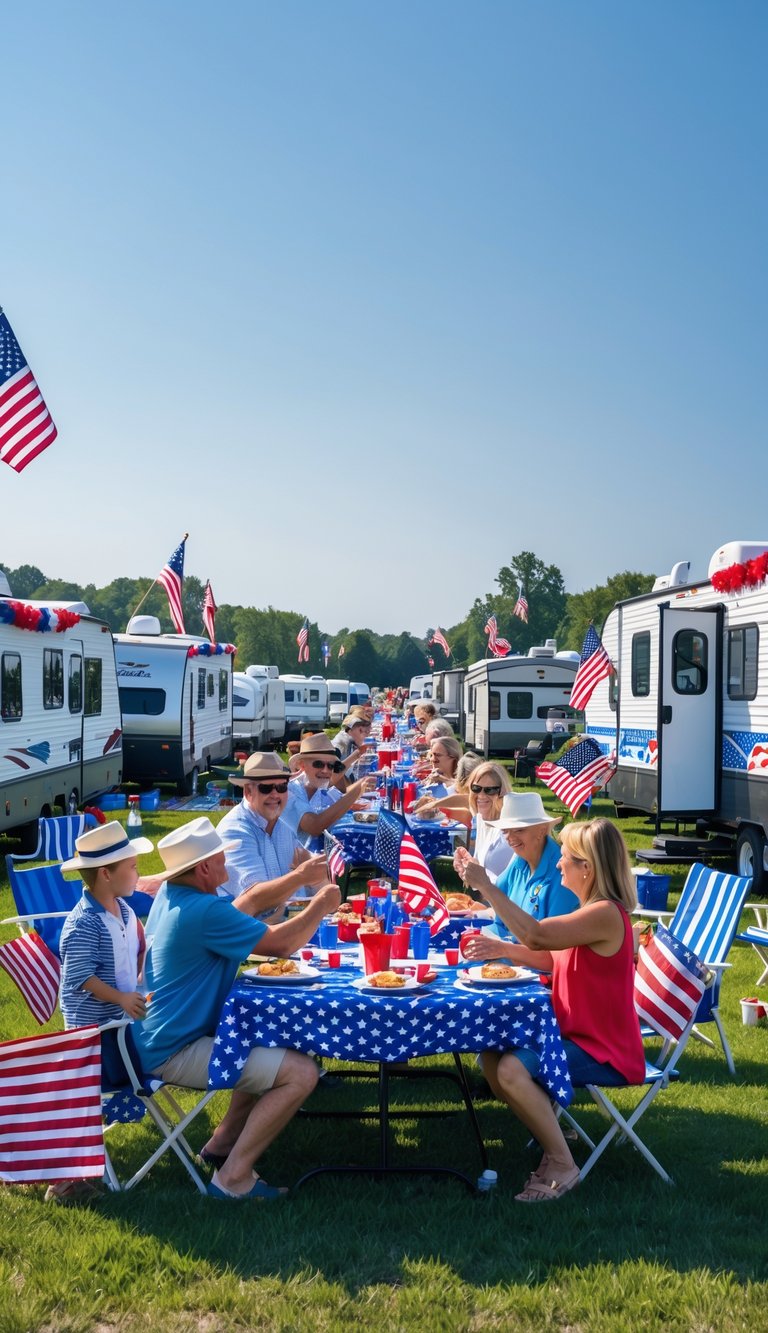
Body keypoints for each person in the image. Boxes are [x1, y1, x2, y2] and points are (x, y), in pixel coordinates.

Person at [131, 817, 341, 1200]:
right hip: (172, 1050)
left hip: (156, 1034)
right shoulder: (204, 912)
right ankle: (232, 1179)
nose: (227, 867)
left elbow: (248, 904)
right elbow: (279, 945)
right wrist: (321, 904)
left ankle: (223, 1143)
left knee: (263, 1038)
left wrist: (296, 878)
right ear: (204, 869)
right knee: (301, 1072)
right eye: (222, 860)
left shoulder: (173, 895)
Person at [462, 817, 645, 1202]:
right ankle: (552, 1147)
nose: (558, 864)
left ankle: (562, 1163)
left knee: (511, 1067)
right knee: (493, 1058)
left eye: (565, 858)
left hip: (605, 1050)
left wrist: (488, 888)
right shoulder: (592, 911)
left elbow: (539, 935)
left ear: (587, 868)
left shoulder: (605, 914)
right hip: (577, 1036)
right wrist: (503, 950)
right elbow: (550, 958)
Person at [50, 821, 155, 1202]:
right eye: (131, 866)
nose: (137, 872)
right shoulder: (84, 922)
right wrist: (121, 999)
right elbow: (79, 977)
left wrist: (138, 987)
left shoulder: (123, 910)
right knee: (145, 1064)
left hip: (120, 1021)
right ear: (106, 874)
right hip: (95, 1033)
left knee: (156, 1044)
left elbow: (132, 955)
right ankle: (69, 1168)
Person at [217, 752, 330, 920]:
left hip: (284, 924)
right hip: (251, 936)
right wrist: (301, 876)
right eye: (266, 788)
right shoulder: (235, 831)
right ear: (248, 791)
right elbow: (256, 899)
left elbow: (308, 870)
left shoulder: (282, 827)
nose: (275, 794)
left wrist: (320, 882)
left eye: (282, 787)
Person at [460, 791, 578, 939]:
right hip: (508, 954)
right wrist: (474, 878)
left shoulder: (563, 872)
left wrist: (483, 884)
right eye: (505, 831)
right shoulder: (519, 860)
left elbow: (549, 943)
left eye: (519, 830)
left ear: (541, 830)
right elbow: (498, 910)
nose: (510, 837)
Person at [283, 732, 376, 851]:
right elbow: (315, 826)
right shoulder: (290, 791)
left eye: (331, 766)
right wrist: (356, 792)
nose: (326, 770)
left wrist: (362, 785)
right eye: (318, 764)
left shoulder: (316, 787)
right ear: (302, 765)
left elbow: (339, 799)